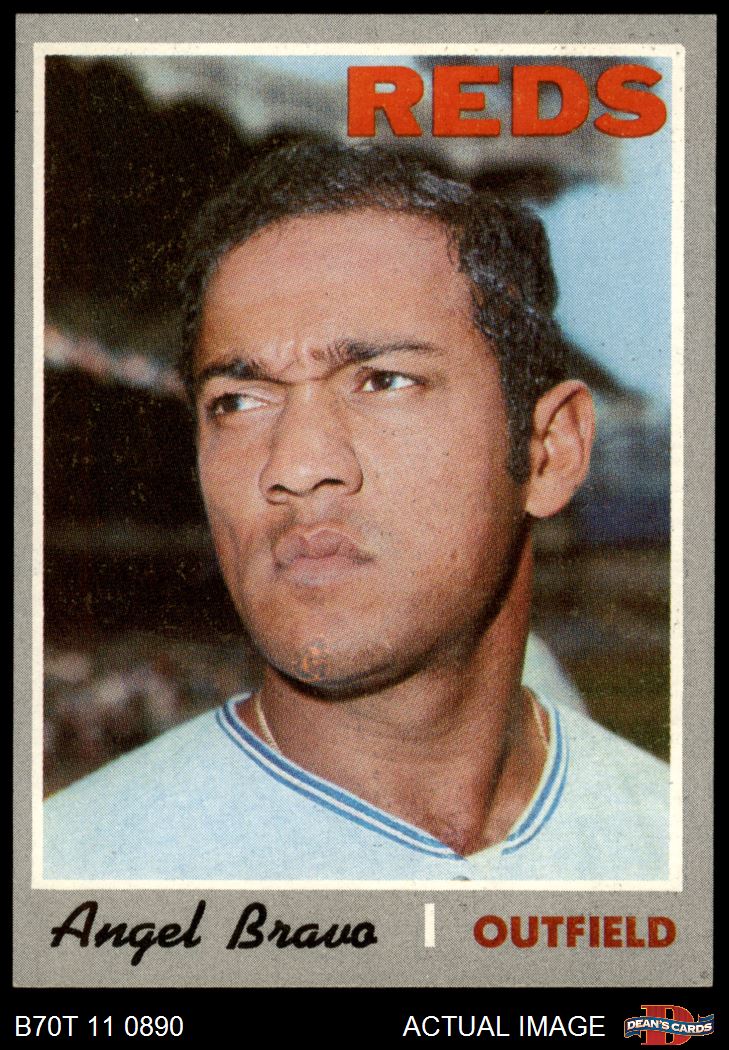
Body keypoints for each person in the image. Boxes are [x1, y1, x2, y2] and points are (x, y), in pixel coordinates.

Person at [44, 141, 669, 880]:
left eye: (384, 381)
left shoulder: (673, 846)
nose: (295, 465)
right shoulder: (73, 867)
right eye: (237, 401)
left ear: (549, 453)